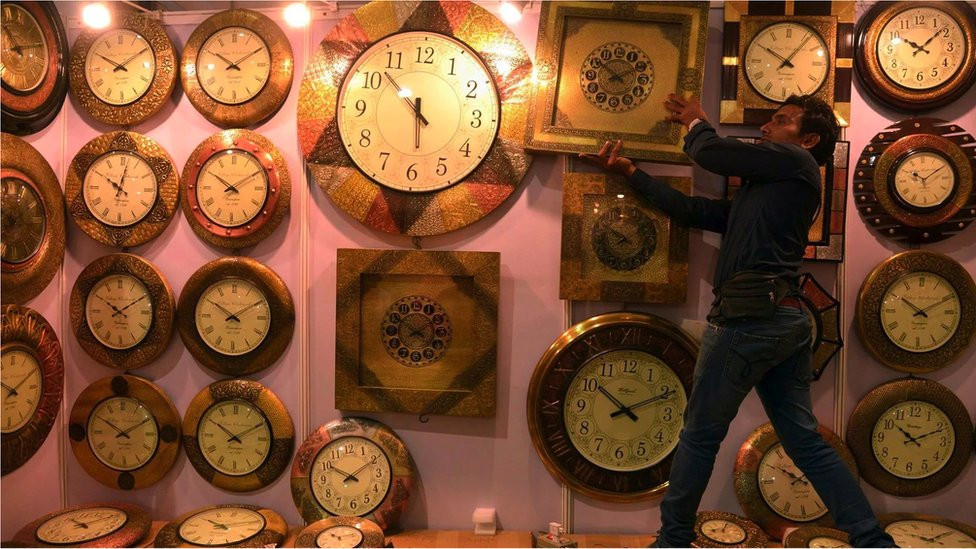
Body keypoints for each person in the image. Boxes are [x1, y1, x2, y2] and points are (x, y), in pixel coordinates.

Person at [579, 94, 896, 548]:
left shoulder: (796, 161)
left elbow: (711, 151)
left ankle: (671, 541)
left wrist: (696, 120)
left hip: (748, 320)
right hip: (783, 321)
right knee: (804, 443)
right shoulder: (770, 188)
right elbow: (698, 213)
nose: (767, 128)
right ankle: (873, 542)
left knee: (699, 436)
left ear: (807, 139)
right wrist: (633, 173)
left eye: (781, 122)